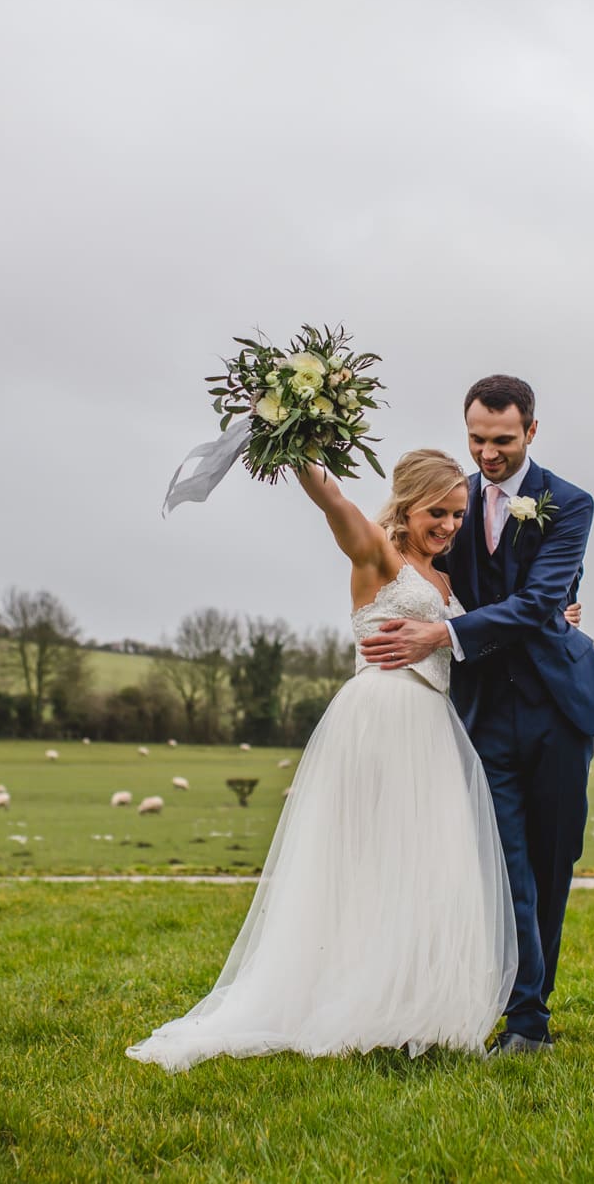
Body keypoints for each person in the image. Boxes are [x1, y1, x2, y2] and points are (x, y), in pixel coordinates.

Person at [126, 449, 518, 1072]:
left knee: (424, 858)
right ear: (406, 505)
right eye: (436, 512)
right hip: (384, 715)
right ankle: (353, 997)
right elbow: (332, 500)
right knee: (374, 857)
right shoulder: (378, 553)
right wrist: (293, 431)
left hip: (432, 724)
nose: (447, 525)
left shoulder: (444, 579)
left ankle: (412, 1001)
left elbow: (477, 638)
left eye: (457, 514)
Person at [361, 375, 594, 1055]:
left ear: (531, 432)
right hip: (480, 711)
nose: (487, 453)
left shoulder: (568, 503)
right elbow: (416, 556)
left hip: (558, 711)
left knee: (551, 860)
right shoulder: (456, 500)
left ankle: (529, 1008)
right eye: (477, 438)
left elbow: (541, 599)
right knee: (503, 866)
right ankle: (525, 1023)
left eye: (502, 440)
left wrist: (449, 634)